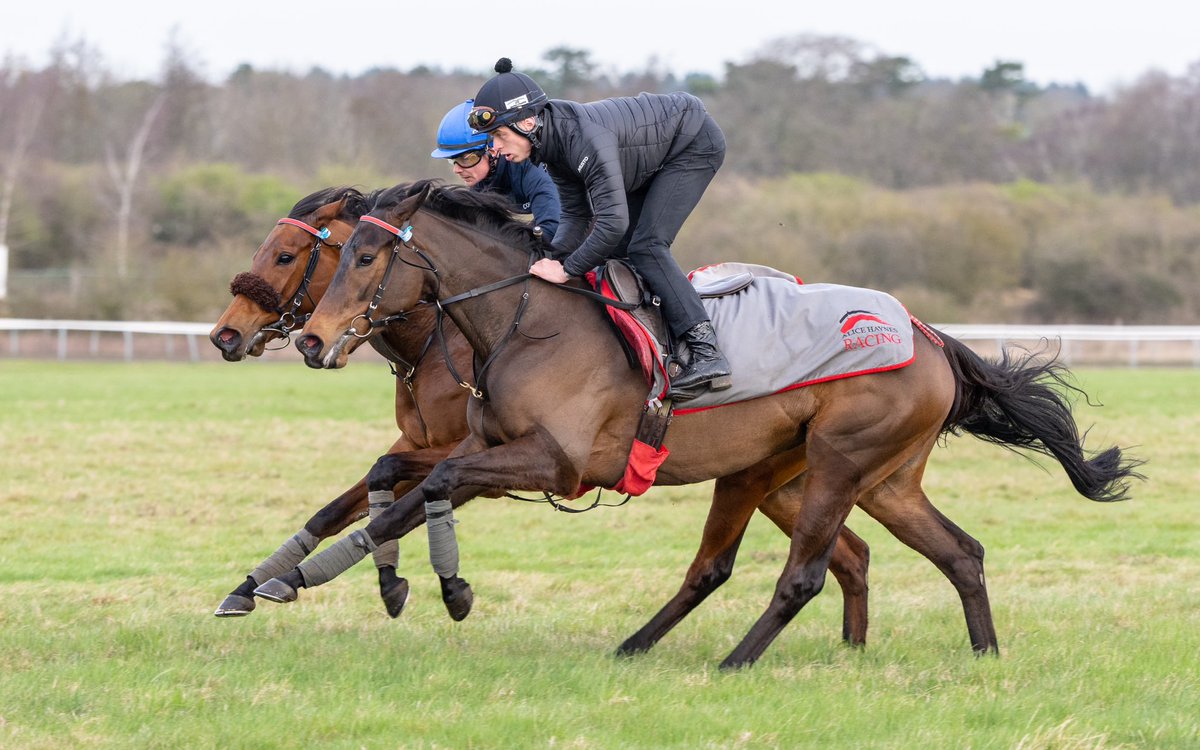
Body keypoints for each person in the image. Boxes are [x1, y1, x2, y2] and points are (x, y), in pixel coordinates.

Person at [468, 58, 731, 399]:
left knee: (646, 245)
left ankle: (708, 352)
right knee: (622, 250)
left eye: (500, 135)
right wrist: (548, 257)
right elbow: (576, 218)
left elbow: (611, 221)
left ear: (528, 121)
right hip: (647, 157)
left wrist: (566, 270)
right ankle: (660, 345)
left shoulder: (582, 140)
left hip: (692, 144)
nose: (495, 148)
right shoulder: (550, 146)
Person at [431, 99, 560, 241]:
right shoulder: (481, 180)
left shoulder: (535, 168)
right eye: (452, 161)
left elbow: (553, 228)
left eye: (465, 159)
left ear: (492, 150)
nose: (457, 170)